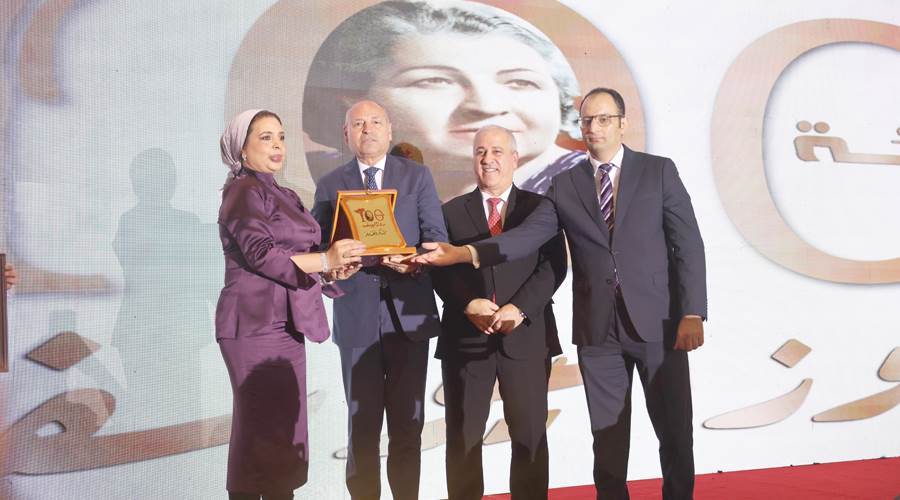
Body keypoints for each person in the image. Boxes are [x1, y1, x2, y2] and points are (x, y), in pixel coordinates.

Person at [415, 88, 707, 500]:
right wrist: (466, 253)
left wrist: (692, 311)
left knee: (674, 430)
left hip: (660, 325)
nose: (594, 127)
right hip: (599, 332)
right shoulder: (565, 184)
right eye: (587, 120)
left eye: (603, 119)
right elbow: (527, 237)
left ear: (622, 123)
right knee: (607, 438)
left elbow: (687, 243)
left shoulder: (658, 171)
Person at [216, 109, 366, 500]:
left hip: (286, 325)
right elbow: (262, 255)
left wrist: (330, 271)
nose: (278, 145)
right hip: (253, 325)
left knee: (284, 433)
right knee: (262, 434)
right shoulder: (243, 190)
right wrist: (325, 260)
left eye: (281, 136)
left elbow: (301, 259)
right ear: (242, 148)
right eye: (265, 137)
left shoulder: (284, 194)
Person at [303, 0, 586, 200]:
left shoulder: (592, 184)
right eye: (435, 81)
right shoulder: (329, 176)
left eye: (520, 82)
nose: (487, 106)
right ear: (353, 97)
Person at [311, 100, 447, 500]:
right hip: (357, 317)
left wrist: (413, 261)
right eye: (358, 124)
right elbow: (318, 251)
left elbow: (436, 238)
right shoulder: (330, 184)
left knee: (408, 426)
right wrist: (332, 269)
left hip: (408, 315)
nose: (367, 129)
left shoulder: (417, 176)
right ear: (346, 134)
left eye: (374, 122)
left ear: (389, 131)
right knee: (362, 428)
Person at [432, 125, 567, 500]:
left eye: (496, 151)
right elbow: (439, 270)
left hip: (526, 338)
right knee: (463, 437)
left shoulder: (540, 210)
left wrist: (519, 308)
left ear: (514, 158)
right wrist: (468, 304)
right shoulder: (449, 212)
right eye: (480, 152)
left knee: (529, 435)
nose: (488, 159)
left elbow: (553, 267)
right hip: (466, 338)